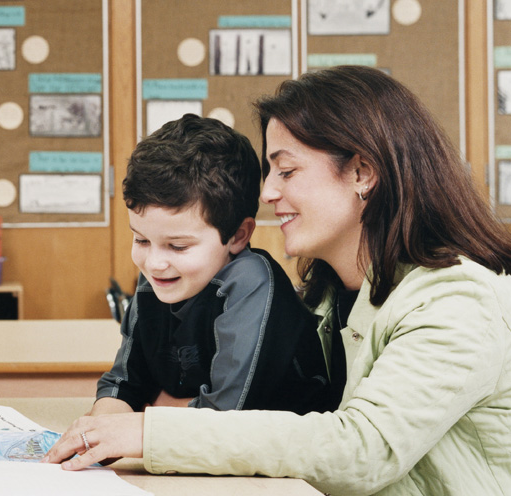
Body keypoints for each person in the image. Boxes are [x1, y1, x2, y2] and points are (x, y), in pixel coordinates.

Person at [45, 66, 511, 496]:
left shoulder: (457, 300)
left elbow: (361, 450)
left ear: (362, 172)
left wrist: (151, 432)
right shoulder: (328, 296)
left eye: (286, 171)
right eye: (270, 172)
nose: (267, 192)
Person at [92, 114, 335, 418]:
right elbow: (122, 384)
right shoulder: (159, 278)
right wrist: (102, 424)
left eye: (178, 246)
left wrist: (153, 412)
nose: (154, 263)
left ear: (238, 236)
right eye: (141, 240)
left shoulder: (250, 282)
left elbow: (222, 417)